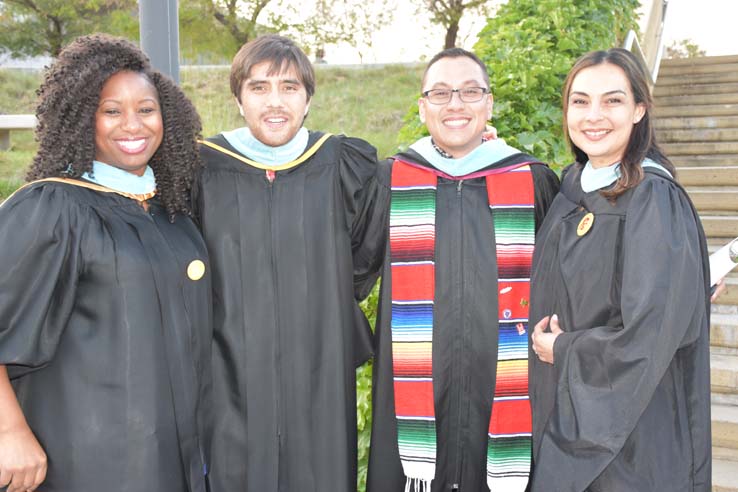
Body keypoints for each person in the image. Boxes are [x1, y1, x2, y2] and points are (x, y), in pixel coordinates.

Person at [0, 34, 211, 492]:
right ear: (81, 120)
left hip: (172, 455)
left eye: (146, 110)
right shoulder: (54, 207)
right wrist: (8, 432)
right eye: (111, 111)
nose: (132, 125)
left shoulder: (169, 209)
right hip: (86, 458)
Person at [195, 34, 386, 491]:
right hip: (227, 373)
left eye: (290, 87)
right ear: (238, 99)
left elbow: (365, 251)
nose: (275, 102)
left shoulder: (340, 163)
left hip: (318, 366)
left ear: (308, 98)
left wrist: (323, 298)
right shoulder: (203, 167)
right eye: (258, 88)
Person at [367, 47, 560, 492]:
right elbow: (342, 265)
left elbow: (578, 265)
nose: (455, 104)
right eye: (440, 93)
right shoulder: (390, 180)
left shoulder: (531, 181)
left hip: (502, 399)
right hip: (414, 400)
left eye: (470, 91)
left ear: (489, 103)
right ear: (423, 106)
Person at [529, 48, 711, 491]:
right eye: (580, 101)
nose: (594, 116)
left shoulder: (652, 197)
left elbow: (648, 334)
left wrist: (565, 350)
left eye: (612, 101)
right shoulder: (574, 186)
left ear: (639, 110)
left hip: (631, 441)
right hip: (567, 413)